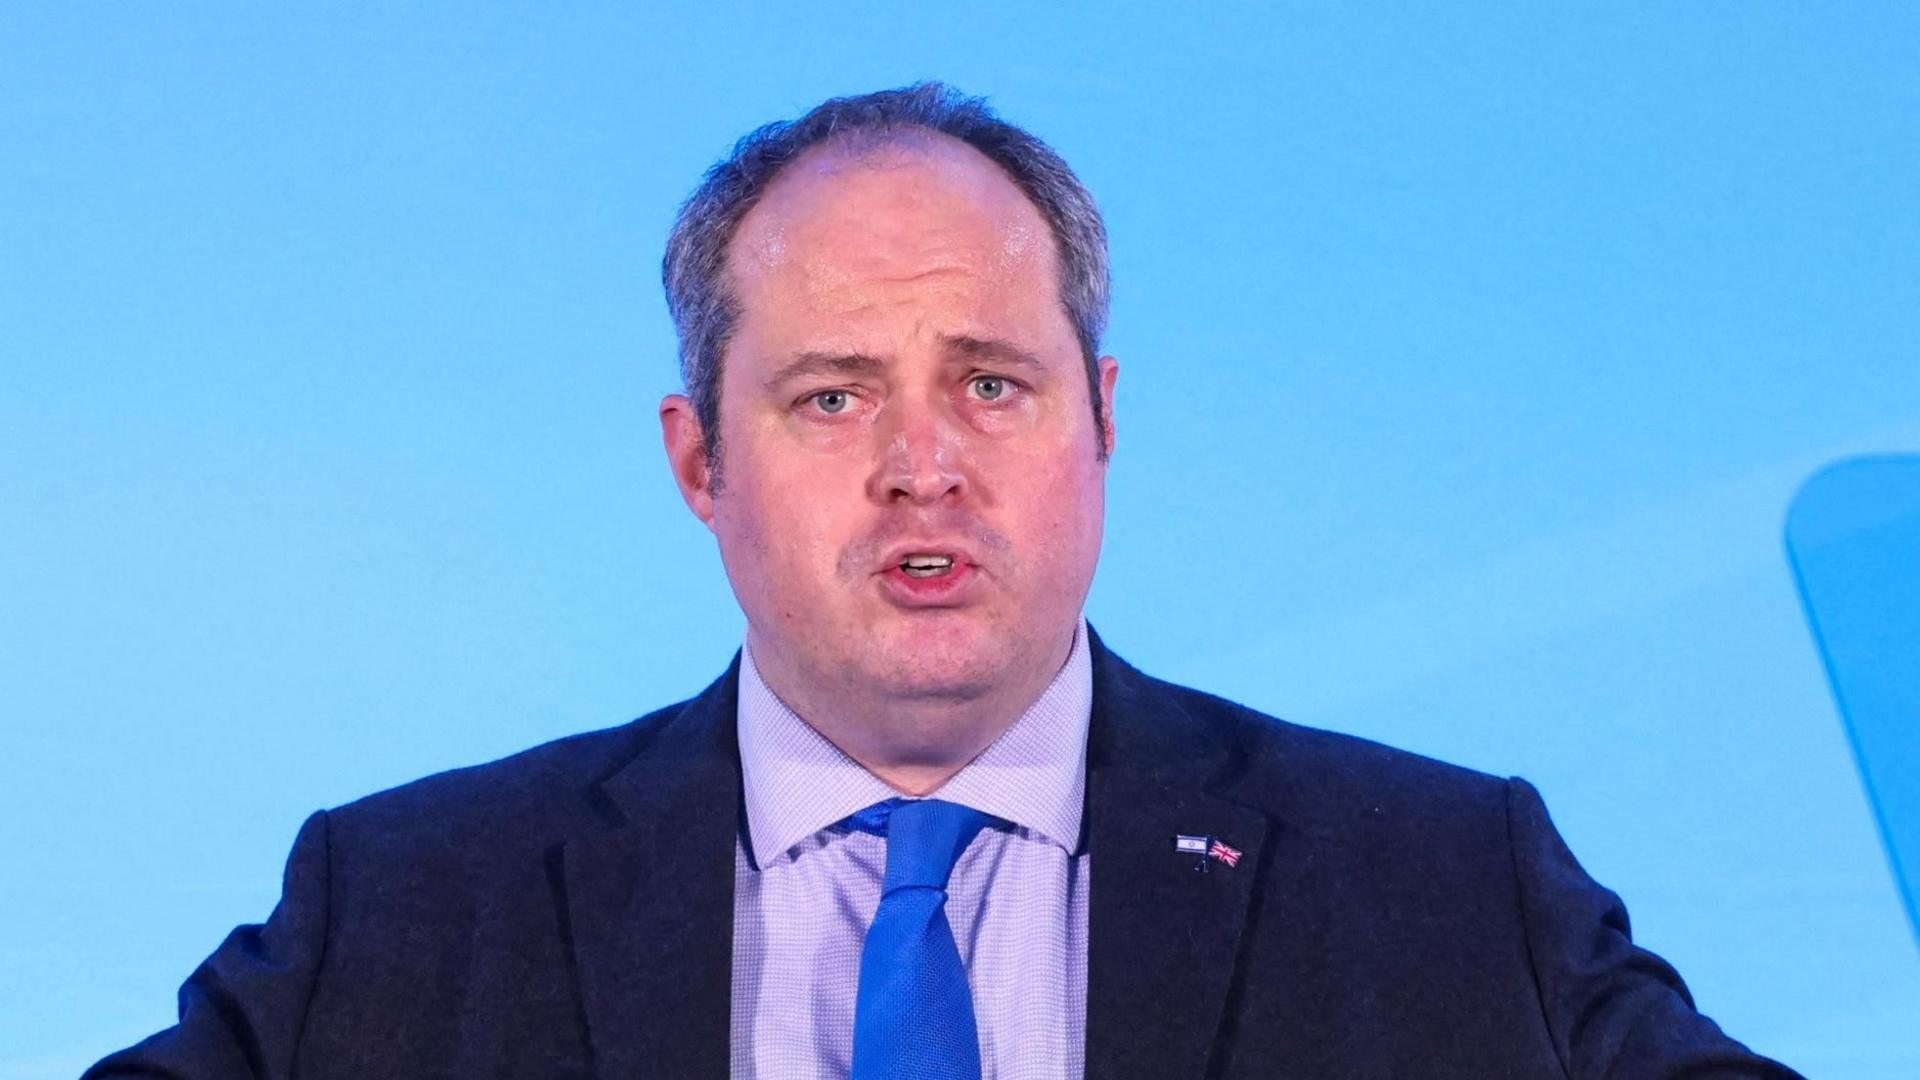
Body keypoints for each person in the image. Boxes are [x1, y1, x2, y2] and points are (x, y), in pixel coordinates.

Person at [84, 82, 1801, 1080]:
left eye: (993, 382)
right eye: (834, 397)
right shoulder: (401, 912)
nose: (927, 463)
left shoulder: (1443, 884)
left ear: (1102, 423)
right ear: (699, 461)